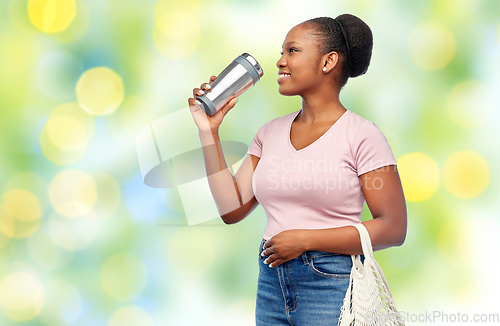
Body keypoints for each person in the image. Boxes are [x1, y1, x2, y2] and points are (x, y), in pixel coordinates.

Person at [188, 14, 407, 326]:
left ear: (328, 61)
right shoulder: (269, 133)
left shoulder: (362, 135)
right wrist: (208, 131)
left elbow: (393, 228)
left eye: (292, 51)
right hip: (271, 282)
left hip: (331, 282)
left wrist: (306, 239)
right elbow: (231, 209)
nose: (279, 61)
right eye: (282, 52)